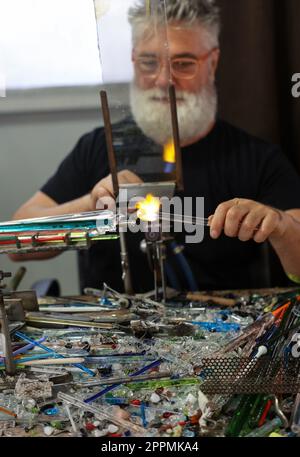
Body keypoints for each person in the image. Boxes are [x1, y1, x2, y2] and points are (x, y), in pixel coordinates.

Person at [9, 0, 300, 293]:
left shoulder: (257, 159)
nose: (164, 80)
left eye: (183, 64)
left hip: (223, 330)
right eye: (150, 63)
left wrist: (280, 226)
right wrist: (90, 205)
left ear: (212, 63)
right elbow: (17, 245)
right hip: (110, 332)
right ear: (134, 61)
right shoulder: (98, 147)